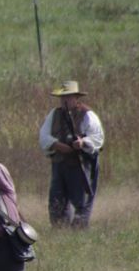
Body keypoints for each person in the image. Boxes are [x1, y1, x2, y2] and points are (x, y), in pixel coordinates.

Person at [38, 81, 104, 229]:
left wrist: (82, 142)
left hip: (81, 164)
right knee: (57, 202)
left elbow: (97, 138)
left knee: (82, 202)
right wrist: (57, 145)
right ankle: (60, 230)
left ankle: (78, 232)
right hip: (60, 163)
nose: (64, 100)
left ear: (76, 98)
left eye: (67, 97)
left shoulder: (87, 115)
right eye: (62, 97)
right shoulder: (54, 114)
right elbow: (44, 136)